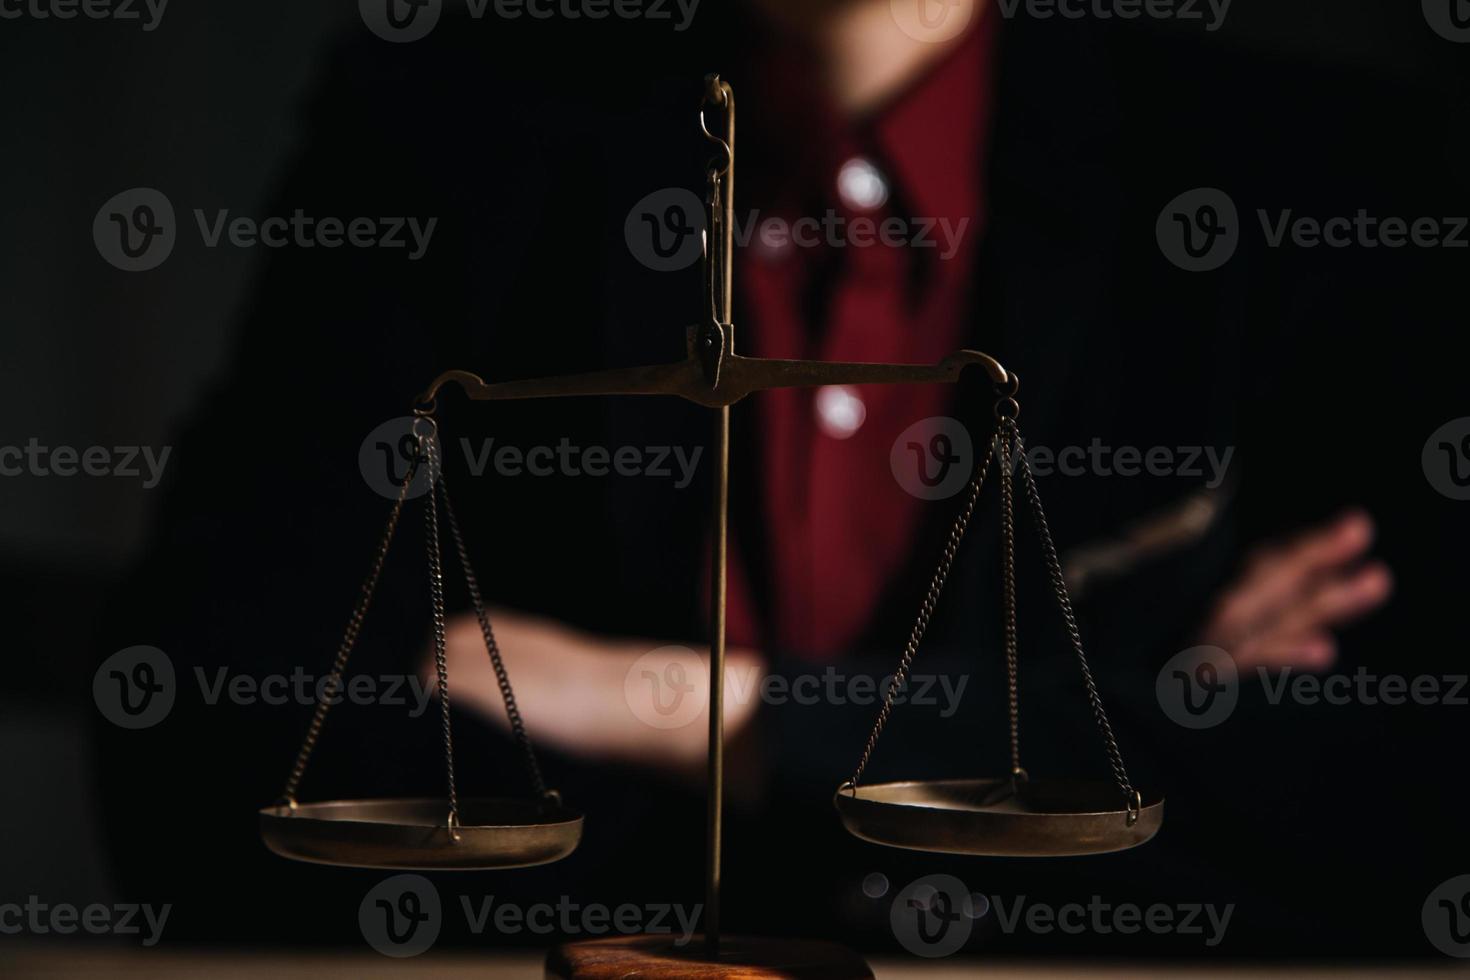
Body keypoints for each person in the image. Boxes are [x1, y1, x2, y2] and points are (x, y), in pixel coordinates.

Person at [99, 0, 1427, 956]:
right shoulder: (457, 133)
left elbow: (1396, 801)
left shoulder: (1288, 167)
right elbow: (210, 730)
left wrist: (690, 713)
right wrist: (1087, 741)